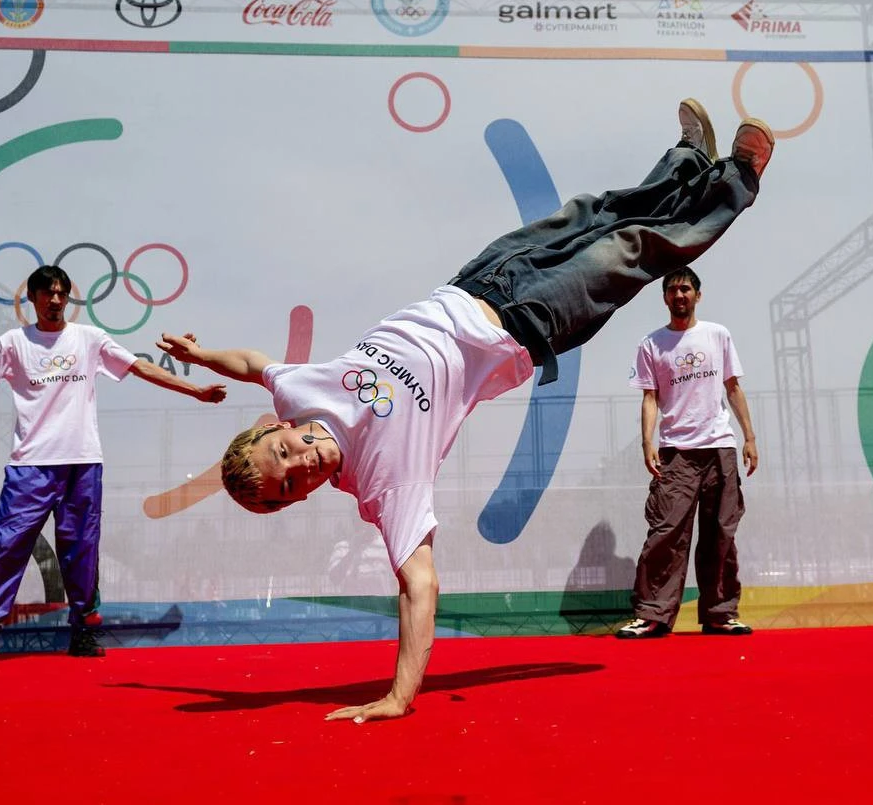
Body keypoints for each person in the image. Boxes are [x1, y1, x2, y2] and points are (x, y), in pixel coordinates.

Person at [158, 99, 773, 721]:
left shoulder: (300, 392)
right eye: (291, 483)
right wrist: (399, 697)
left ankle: (688, 161)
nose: (302, 463)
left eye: (282, 454)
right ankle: (738, 181)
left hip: (479, 278)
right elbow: (419, 587)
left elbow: (252, 364)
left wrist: (201, 354)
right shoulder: (381, 485)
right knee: (634, 249)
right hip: (532, 322)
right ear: (299, 499)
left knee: (598, 212)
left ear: (277, 427)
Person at [0, 264, 227, 665]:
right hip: (31, 467)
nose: (56, 300)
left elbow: (140, 368)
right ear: (34, 299)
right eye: (48, 293)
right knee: (8, 547)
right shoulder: (13, 344)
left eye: (62, 293)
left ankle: (82, 630)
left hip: (82, 464)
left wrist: (195, 391)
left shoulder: (89, 339)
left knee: (81, 550)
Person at [617, 266, 758, 639]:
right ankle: (652, 615)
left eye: (685, 289)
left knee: (721, 534)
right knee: (666, 533)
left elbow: (733, 387)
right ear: (665, 298)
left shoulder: (717, 335)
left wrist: (749, 437)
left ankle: (720, 613)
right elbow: (650, 397)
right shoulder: (652, 344)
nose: (679, 295)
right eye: (672, 290)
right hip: (676, 452)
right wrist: (647, 443)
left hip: (719, 447)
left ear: (698, 294)